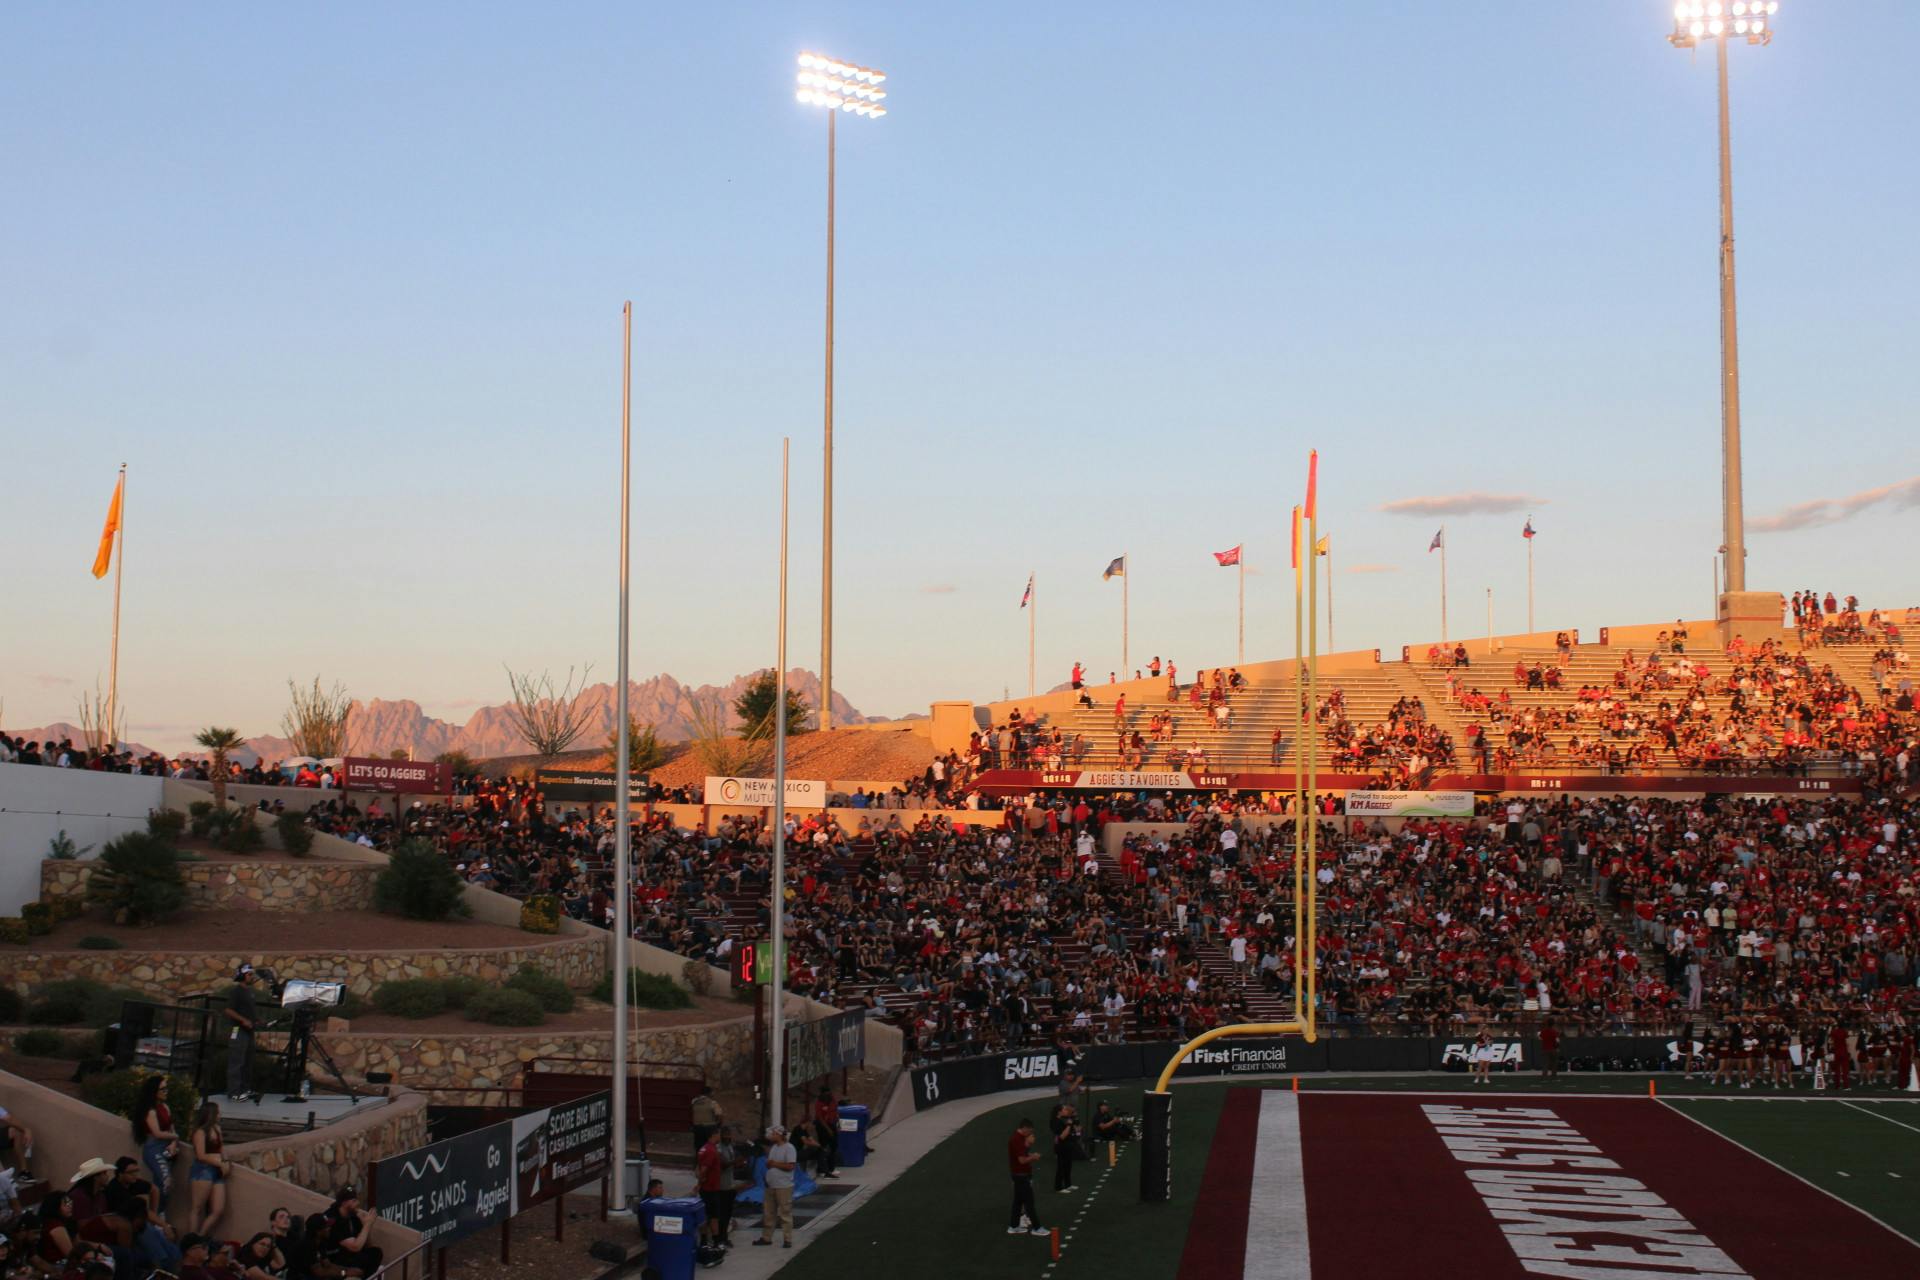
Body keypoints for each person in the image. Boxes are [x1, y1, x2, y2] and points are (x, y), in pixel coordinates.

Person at [131, 1075, 182, 1212]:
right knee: (166, 1180)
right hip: (154, 1148)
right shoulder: (150, 1111)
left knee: (160, 1184)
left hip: (166, 1148)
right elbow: (157, 1133)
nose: (166, 1091)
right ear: (154, 1091)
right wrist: (175, 1136)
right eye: (163, 1089)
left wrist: (173, 1142)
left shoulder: (165, 1107)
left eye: (167, 1088)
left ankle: (158, 1213)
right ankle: (157, 1215)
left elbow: (171, 1128)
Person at [315, 1186, 381, 1278]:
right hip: (333, 1259)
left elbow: (367, 1244)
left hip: (347, 1255)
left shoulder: (353, 1215)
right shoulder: (333, 1218)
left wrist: (364, 1225)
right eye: (354, 1201)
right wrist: (367, 1225)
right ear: (344, 1203)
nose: (358, 1203)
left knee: (375, 1253)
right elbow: (355, 1247)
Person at [753, 1125, 796, 1250]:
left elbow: (790, 1166)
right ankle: (766, 1237)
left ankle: (787, 1239)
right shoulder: (774, 1148)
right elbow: (769, 1164)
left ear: (779, 1135)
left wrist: (774, 1164)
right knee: (768, 1213)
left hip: (784, 1186)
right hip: (771, 1185)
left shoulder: (789, 1148)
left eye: (773, 1134)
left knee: (785, 1213)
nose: (771, 1136)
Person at [189, 1102, 229, 1236]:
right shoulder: (200, 1132)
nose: (220, 1115)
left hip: (217, 1170)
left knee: (218, 1210)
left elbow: (222, 1148)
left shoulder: (217, 1129)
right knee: (197, 1207)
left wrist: (225, 1161)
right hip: (203, 1170)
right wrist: (218, 1162)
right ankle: (192, 1238)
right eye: (217, 1112)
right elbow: (201, 1155)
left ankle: (201, 1235)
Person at [225, 965, 261, 1102]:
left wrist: (256, 1020)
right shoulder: (237, 991)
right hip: (238, 1030)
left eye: (252, 974)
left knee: (248, 1061)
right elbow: (228, 1010)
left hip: (249, 1032)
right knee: (236, 1062)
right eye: (249, 974)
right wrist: (243, 1020)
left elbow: (250, 1011)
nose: (252, 977)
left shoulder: (250, 992)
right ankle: (234, 1092)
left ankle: (245, 1090)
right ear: (242, 975)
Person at [1006, 1119, 1048, 1237]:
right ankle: (1037, 1227)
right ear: (1025, 1128)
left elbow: (1023, 1155)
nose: (1030, 1134)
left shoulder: (1018, 1138)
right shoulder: (1017, 1139)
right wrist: (1034, 1157)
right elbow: (1022, 1160)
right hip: (1021, 1176)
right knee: (1029, 1202)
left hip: (1019, 1175)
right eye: (1029, 1132)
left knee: (1018, 1202)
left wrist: (1030, 1152)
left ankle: (1014, 1226)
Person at [695, 1130, 728, 1253]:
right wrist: (699, 1183)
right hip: (710, 1189)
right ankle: (716, 1242)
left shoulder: (703, 1149)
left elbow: (698, 1167)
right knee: (713, 1216)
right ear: (713, 1135)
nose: (720, 1136)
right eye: (718, 1134)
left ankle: (705, 1242)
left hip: (707, 1189)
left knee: (706, 1215)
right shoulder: (711, 1150)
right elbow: (704, 1169)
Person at [1049, 1103, 1080, 1193]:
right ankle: (1058, 1187)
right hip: (1061, 1146)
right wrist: (1069, 1125)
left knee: (1068, 1166)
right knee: (1061, 1167)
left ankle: (1068, 1184)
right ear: (1059, 1112)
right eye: (1064, 1110)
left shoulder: (1061, 1120)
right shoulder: (1055, 1121)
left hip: (1067, 1146)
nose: (1066, 1111)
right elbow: (1062, 1136)